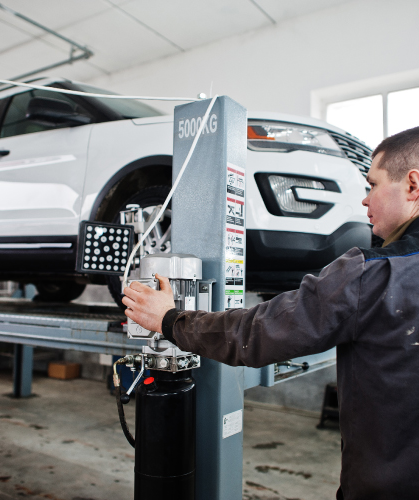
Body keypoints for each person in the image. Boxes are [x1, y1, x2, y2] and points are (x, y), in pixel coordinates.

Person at [122, 126, 419, 500]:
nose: (364, 201)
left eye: (372, 184)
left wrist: (169, 319)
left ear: (413, 185)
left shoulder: (372, 274)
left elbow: (256, 333)